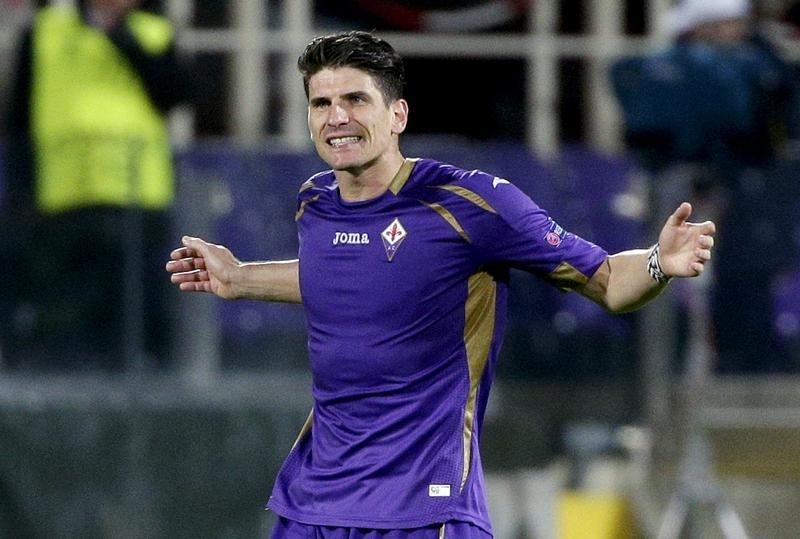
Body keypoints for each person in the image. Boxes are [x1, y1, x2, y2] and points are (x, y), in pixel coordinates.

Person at [166, 30, 715, 538]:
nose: (337, 118)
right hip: (314, 503)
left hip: (426, 508)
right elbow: (345, 278)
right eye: (321, 104)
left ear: (397, 114)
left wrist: (657, 262)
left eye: (356, 100)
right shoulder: (317, 201)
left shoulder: (469, 204)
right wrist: (238, 277)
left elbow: (610, 283)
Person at [2, 0, 195, 369]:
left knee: (137, 319)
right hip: (62, 202)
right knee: (66, 320)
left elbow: (176, 93)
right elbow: (18, 125)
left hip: (136, 200)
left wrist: (119, 36)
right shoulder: (44, 30)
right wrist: (21, 198)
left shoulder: (151, 31)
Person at [610, 0, 800, 373]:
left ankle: (733, 370)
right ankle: (670, 380)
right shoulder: (673, 68)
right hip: (679, 192)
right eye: (730, 25)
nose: (739, 34)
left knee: (741, 293)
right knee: (669, 294)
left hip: (743, 202)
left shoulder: (758, 65)